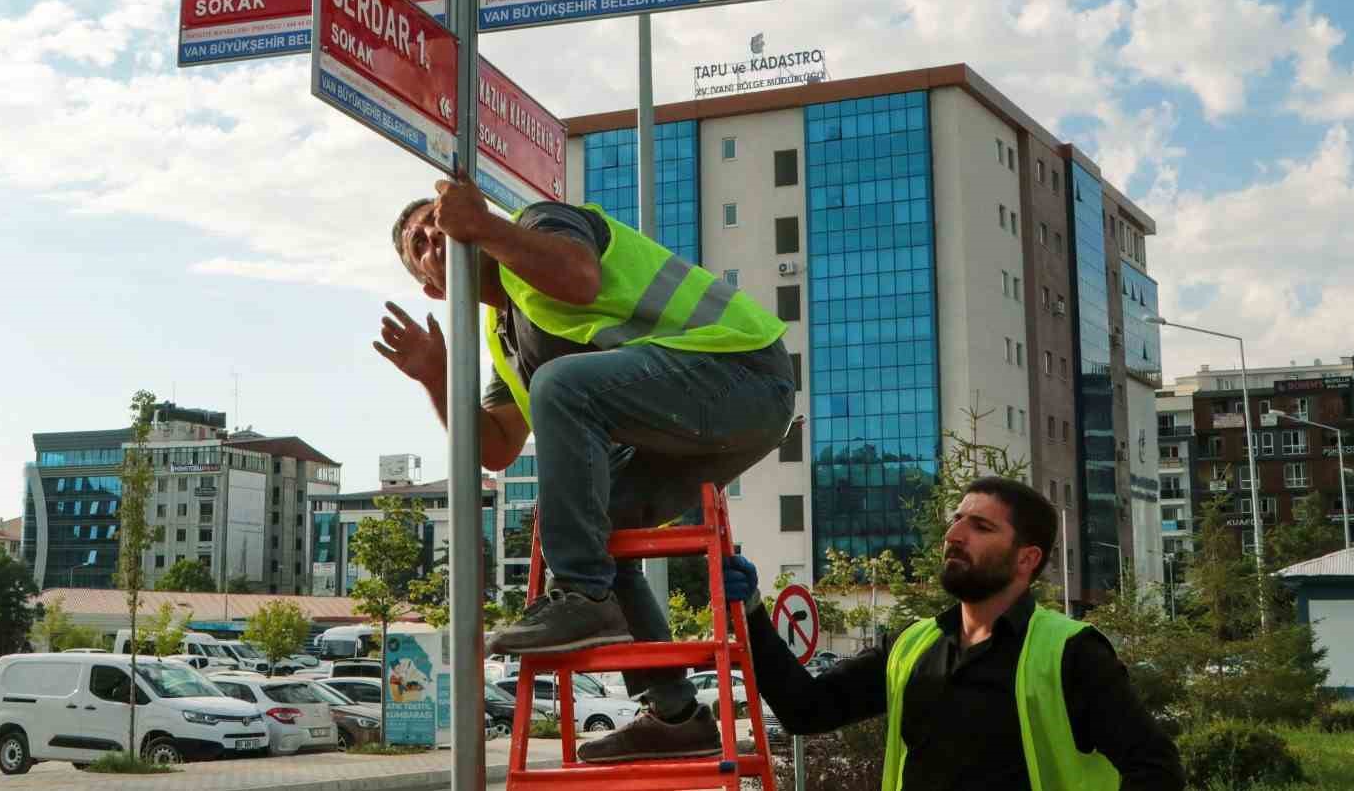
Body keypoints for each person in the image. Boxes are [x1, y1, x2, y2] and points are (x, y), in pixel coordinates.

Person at [377, 174, 795, 763]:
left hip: (742, 375)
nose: (433, 236)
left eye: (436, 219)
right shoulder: (507, 341)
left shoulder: (540, 224)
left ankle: (580, 594)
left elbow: (578, 277)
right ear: (430, 287)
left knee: (563, 392)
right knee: (591, 521)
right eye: (420, 246)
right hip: (692, 428)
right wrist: (437, 378)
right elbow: (496, 448)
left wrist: (485, 225)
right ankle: (677, 714)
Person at [724, 476, 1185, 790]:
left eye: (980, 526)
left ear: (1026, 559)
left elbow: (1156, 770)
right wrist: (751, 612)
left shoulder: (1070, 654)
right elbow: (807, 710)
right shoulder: (912, 645)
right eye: (956, 519)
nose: (954, 534)